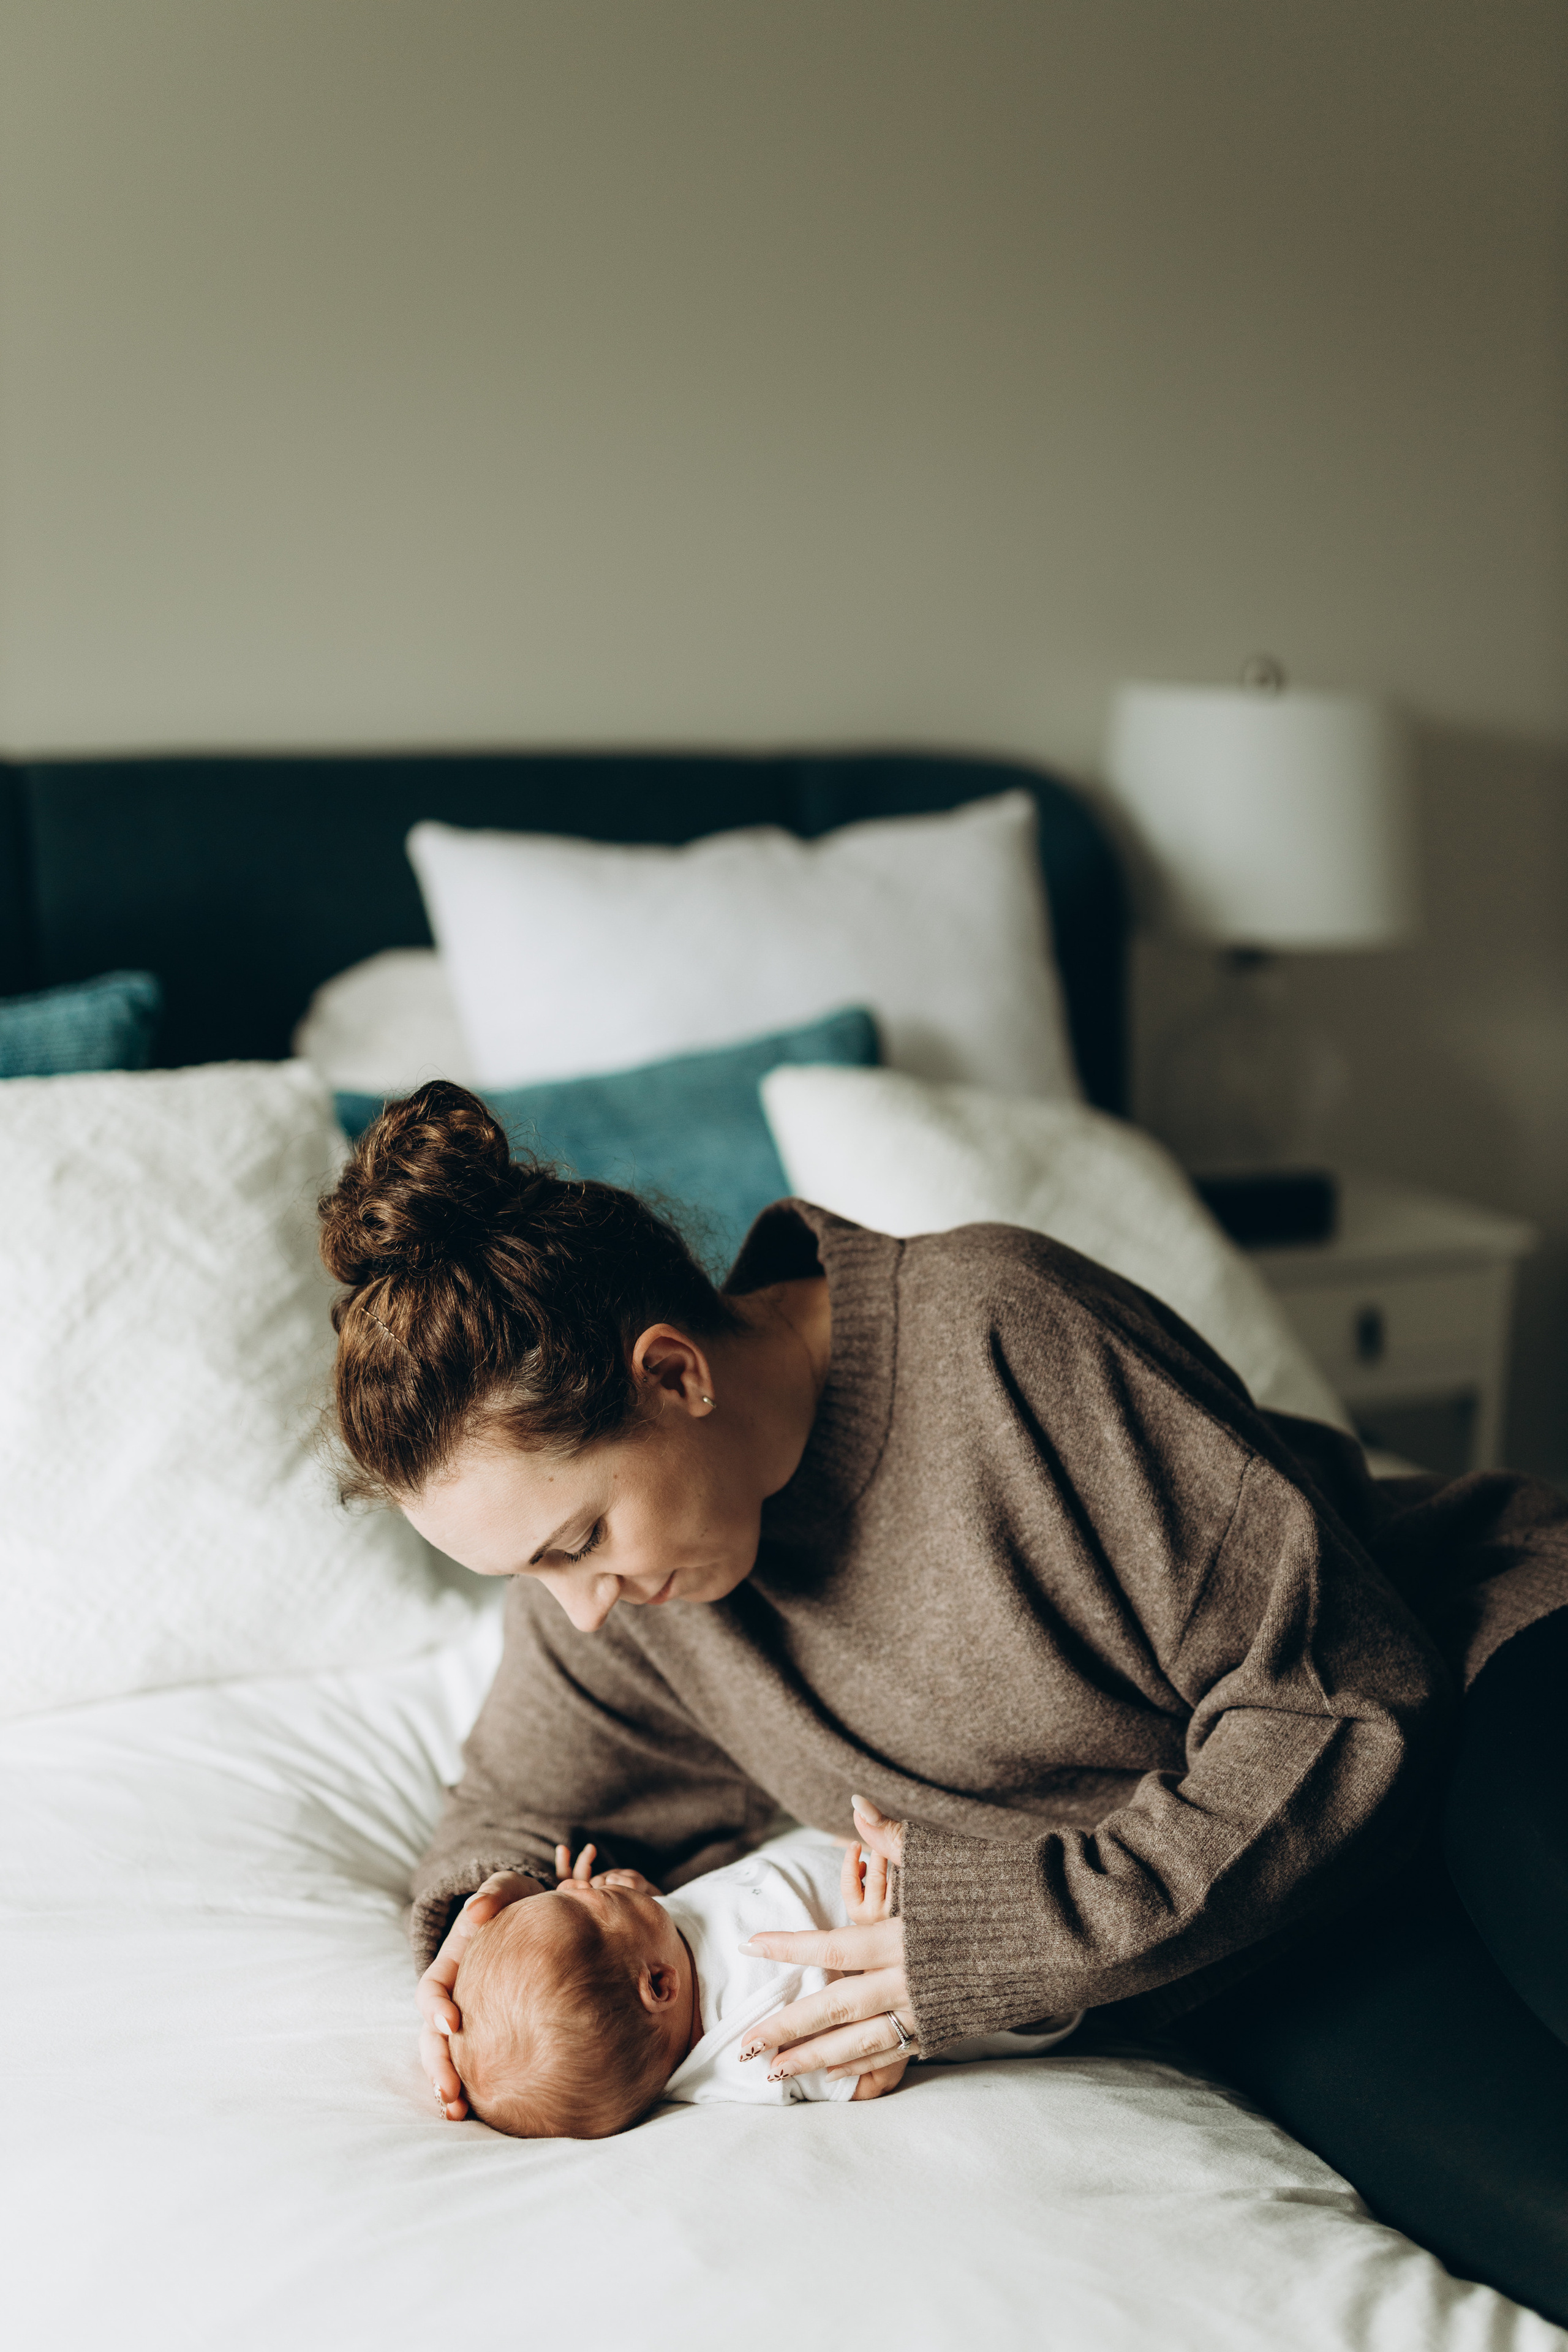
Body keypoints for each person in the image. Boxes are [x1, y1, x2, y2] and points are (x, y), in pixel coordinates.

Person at [318, 1083, 1568, 2320]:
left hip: (1469, 1666)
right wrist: (476, 1960)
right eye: (535, 1572)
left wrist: (1009, 1938)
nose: (581, 1607)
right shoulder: (629, 1603)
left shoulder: (1000, 1336)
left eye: (580, 1539)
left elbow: (1339, 1694)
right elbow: (511, 1810)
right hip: (1253, 1924)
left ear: (672, 1375)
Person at [447, 1808, 1080, 2137]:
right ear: (659, 1986)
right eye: (595, 1901)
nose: (593, 1886)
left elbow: (672, 1914)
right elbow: (865, 2075)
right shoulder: (749, 2051)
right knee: (1045, 1901)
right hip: (968, 1957)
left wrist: (621, 1893)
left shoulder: (658, 1955)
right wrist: (868, 1936)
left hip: (921, 1879)